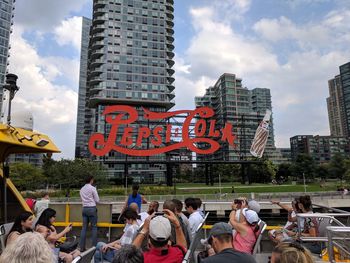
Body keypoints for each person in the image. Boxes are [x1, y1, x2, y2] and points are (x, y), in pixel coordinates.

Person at [79, 175, 99, 251]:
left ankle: (82, 247)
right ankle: (93, 247)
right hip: (92, 208)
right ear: (91, 180)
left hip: (84, 209)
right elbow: (97, 200)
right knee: (94, 227)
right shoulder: (93, 188)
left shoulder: (82, 189)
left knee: (84, 227)